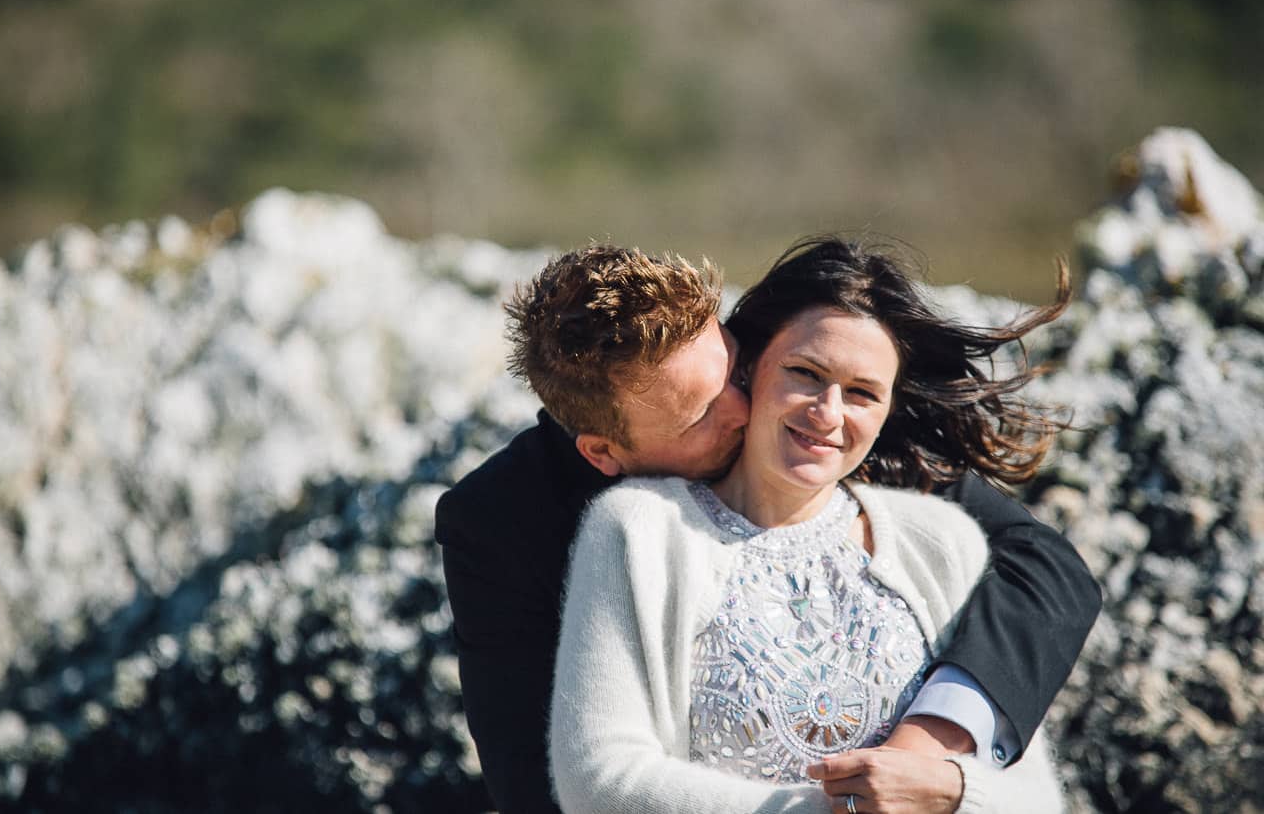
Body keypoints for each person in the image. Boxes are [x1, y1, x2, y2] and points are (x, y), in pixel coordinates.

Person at [434, 242, 1100, 812]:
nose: (744, 406)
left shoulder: (815, 415)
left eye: (735, 368)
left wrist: (931, 746)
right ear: (605, 452)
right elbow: (545, 789)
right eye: (700, 414)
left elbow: (1044, 565)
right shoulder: (504, 523)